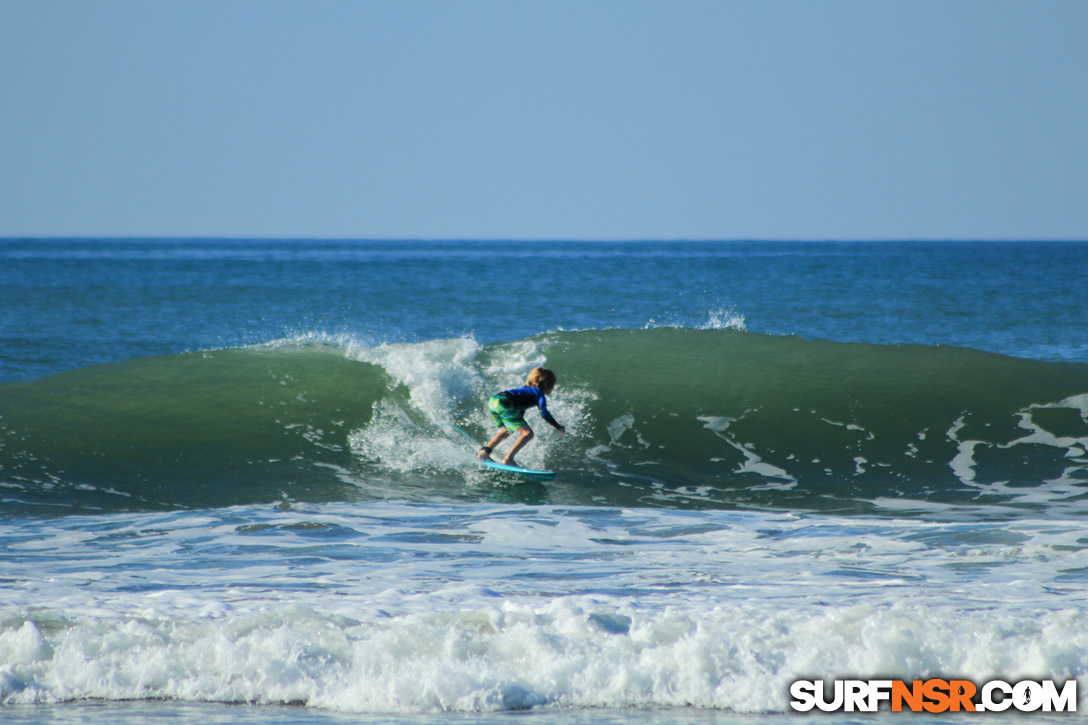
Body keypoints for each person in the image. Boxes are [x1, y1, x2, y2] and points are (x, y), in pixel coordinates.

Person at [478, 367, 565, 466]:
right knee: (528, 433)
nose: (552, 388)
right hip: (504, 402)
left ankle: (484, 453)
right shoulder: (538, 392)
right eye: (552, 385)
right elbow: (544, 413)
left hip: (494, 401)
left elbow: (519, 409)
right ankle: (508, 459)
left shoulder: (525, 391)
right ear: (546, 384)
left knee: (507, 431)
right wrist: (558, 427)